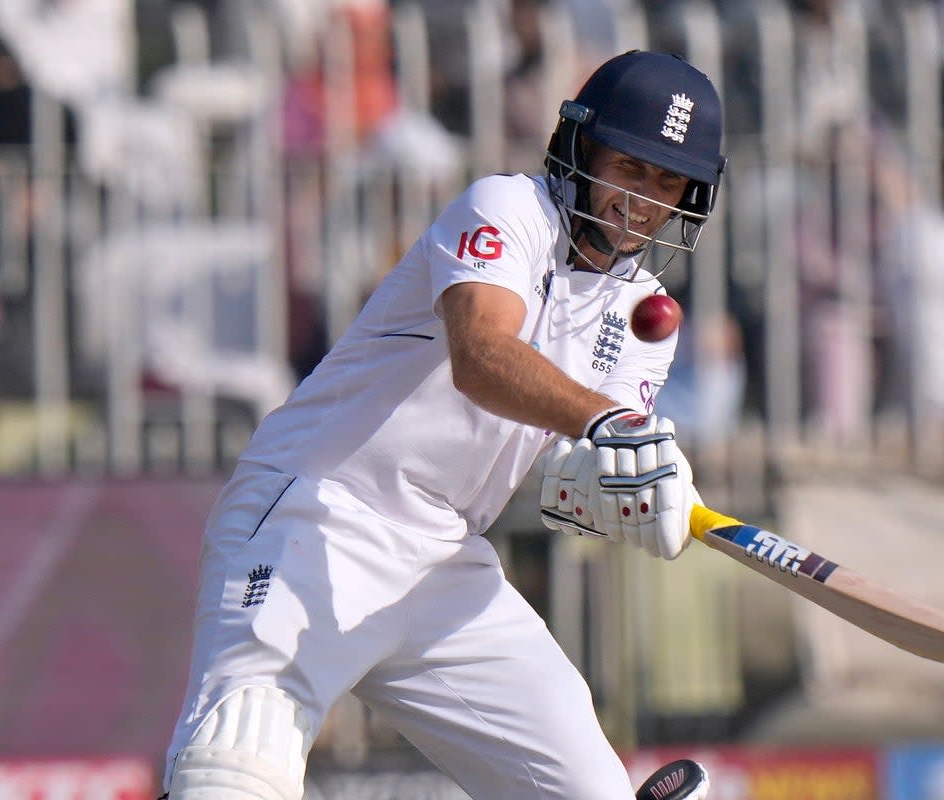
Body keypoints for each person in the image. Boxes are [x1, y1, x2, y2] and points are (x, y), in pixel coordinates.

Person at [160, 50, 725, 800]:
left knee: (589, 790)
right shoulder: (505, 208)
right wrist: (609, 427)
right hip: (317, 514)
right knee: (233, 770)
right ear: (581, 147)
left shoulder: (647, 313)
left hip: (443, 560)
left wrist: (639, 491)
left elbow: (577, 472)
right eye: (628, 165)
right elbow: (483, 356)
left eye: (664, 181)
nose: (640, 199)